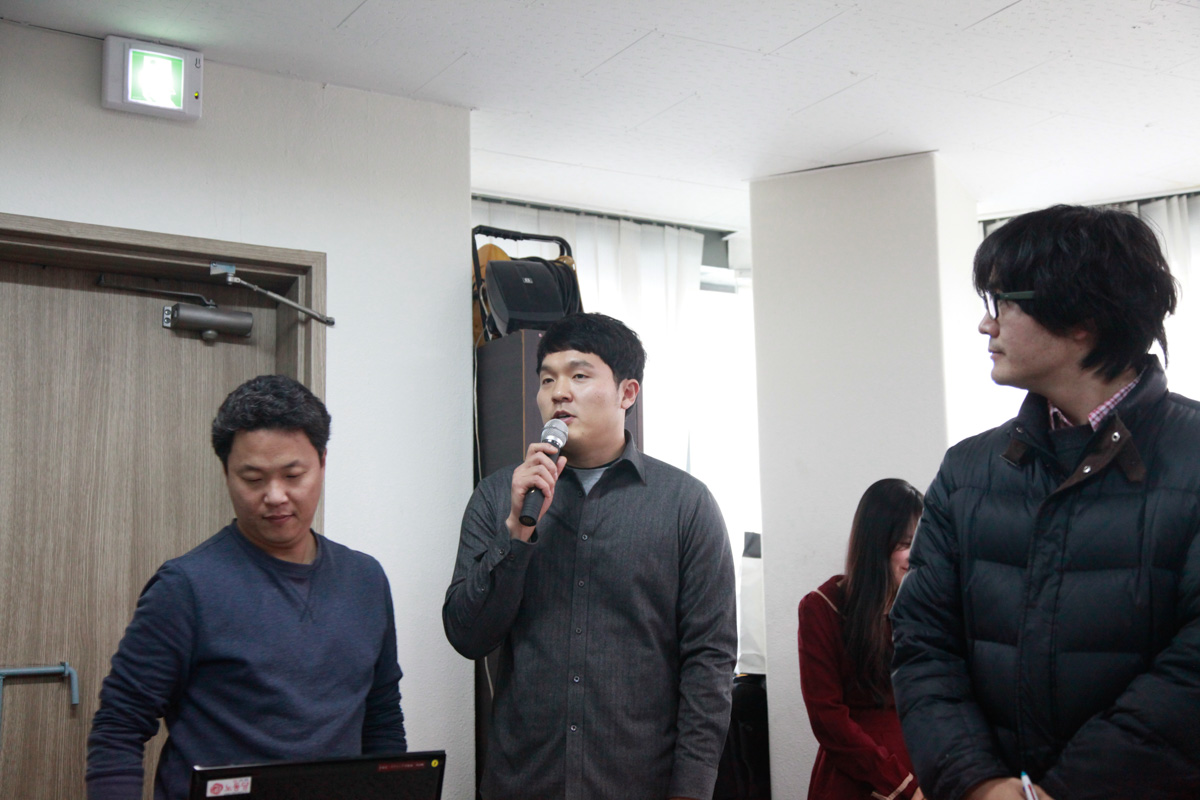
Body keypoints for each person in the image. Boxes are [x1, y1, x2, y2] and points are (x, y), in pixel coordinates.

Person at [890, 204, 1200, 800]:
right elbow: (922, 640)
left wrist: (1060, 791)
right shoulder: (969, 470)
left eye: (1004, 302)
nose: (986, 325)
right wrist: (977, 782)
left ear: (1082, 317)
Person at [443, 312, 737, 800]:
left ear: (627, 393)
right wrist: (516, 530)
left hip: (639, 782)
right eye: (547, 380)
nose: (559, 392)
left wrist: (692, 787)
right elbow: (466, 635)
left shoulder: (685, 504)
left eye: (579, 375)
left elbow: (710, 659)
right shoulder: (498, 496)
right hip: (523, 781)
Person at [86, 375, 406, 800]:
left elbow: (381, 719)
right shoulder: (186, 588)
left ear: (322, 462)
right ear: (226, 473)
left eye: (293, 474)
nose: (275, 496)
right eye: (253, 478)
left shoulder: (365, 580)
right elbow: (119, 727)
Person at [798, 478, 925, 800]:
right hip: (857, 780)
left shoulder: (927, 607)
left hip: (924, 772)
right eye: (906, 544)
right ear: (876, 544)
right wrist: (900, 785)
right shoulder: (822, 608)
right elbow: (828, 718)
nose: (917, 556)